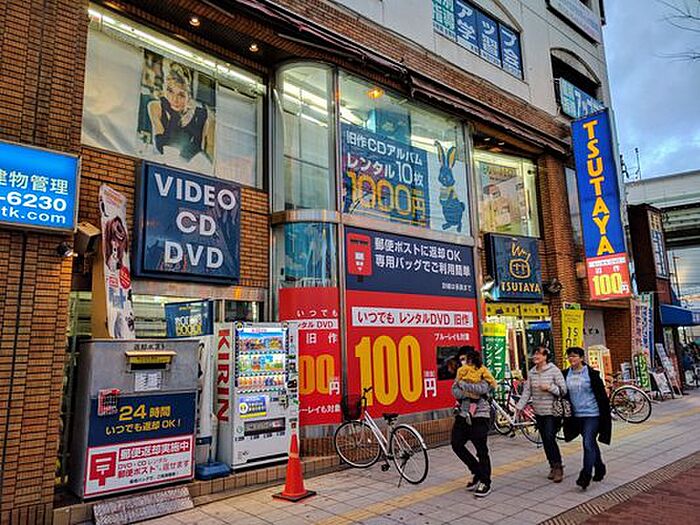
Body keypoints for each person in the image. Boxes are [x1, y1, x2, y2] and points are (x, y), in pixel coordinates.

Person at [515, 346, 567, 483]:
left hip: (552, 412)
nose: (535, 356)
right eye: (534, 354)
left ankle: (558, 467)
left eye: (538, 354)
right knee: (545, 439)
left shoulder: (554, 370)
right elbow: (527, 391)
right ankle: (552, 465)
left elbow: (563, 390)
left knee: (549, 437)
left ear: (545, 357)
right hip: (538, 411)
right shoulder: (532, 372)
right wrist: (519, 406)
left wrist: (550, 387)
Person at [563, 347, 611, 490]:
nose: (571, 359)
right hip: (576, 416)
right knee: (591, 443)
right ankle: (600, 467)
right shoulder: (565, 374)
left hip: (592, 414)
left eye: (574, 356)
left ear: (582, 358)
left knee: (587, 443)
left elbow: (601, 395)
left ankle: (585, 475)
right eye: (569, 356)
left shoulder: (591, 374)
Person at [147, 62, 214, 162]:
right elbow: (161, 145)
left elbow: (198, 149)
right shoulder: (155, 106)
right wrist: (174, 115)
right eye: (170, 91)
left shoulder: (201, 116)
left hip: (186, 167)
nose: (175, 100)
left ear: (189, 96)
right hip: (159, 162)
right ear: (164, 90)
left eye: (181, 95)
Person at [451, 348, 495, 497]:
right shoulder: (461, 373)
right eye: (461, 360)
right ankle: (477, 471)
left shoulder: (483, 372)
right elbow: (454, 391)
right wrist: (468, 392)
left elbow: (482, 388)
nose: (463, 363)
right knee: (456, 444)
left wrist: (463, 386)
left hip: (480, 415)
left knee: (481, 449)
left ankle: (485, 481)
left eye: (466, 359)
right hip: (463, 414)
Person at [456, 351, 498, 417]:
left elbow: (458, 379)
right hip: (474, 392)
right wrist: (493, 385)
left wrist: (460, 383)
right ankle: (469, 413)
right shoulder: (482, 368)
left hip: (468, 392)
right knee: (474, 401)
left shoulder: (462, 369)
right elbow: (490, 379)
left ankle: (462, 410)